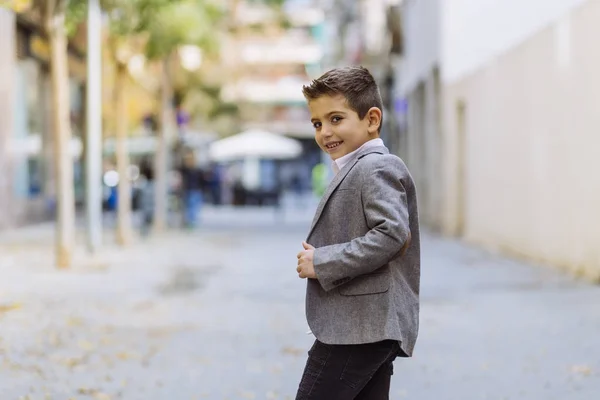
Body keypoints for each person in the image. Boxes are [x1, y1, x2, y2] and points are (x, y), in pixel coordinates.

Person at [295, 66, 421, 399]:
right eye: (317, 123)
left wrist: (321, 261)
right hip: (363, 326)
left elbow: (392, 234)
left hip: (360, 327)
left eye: (336, 119)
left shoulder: (375, 165)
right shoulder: (355, 167)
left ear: (372, 119)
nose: (325, 132)